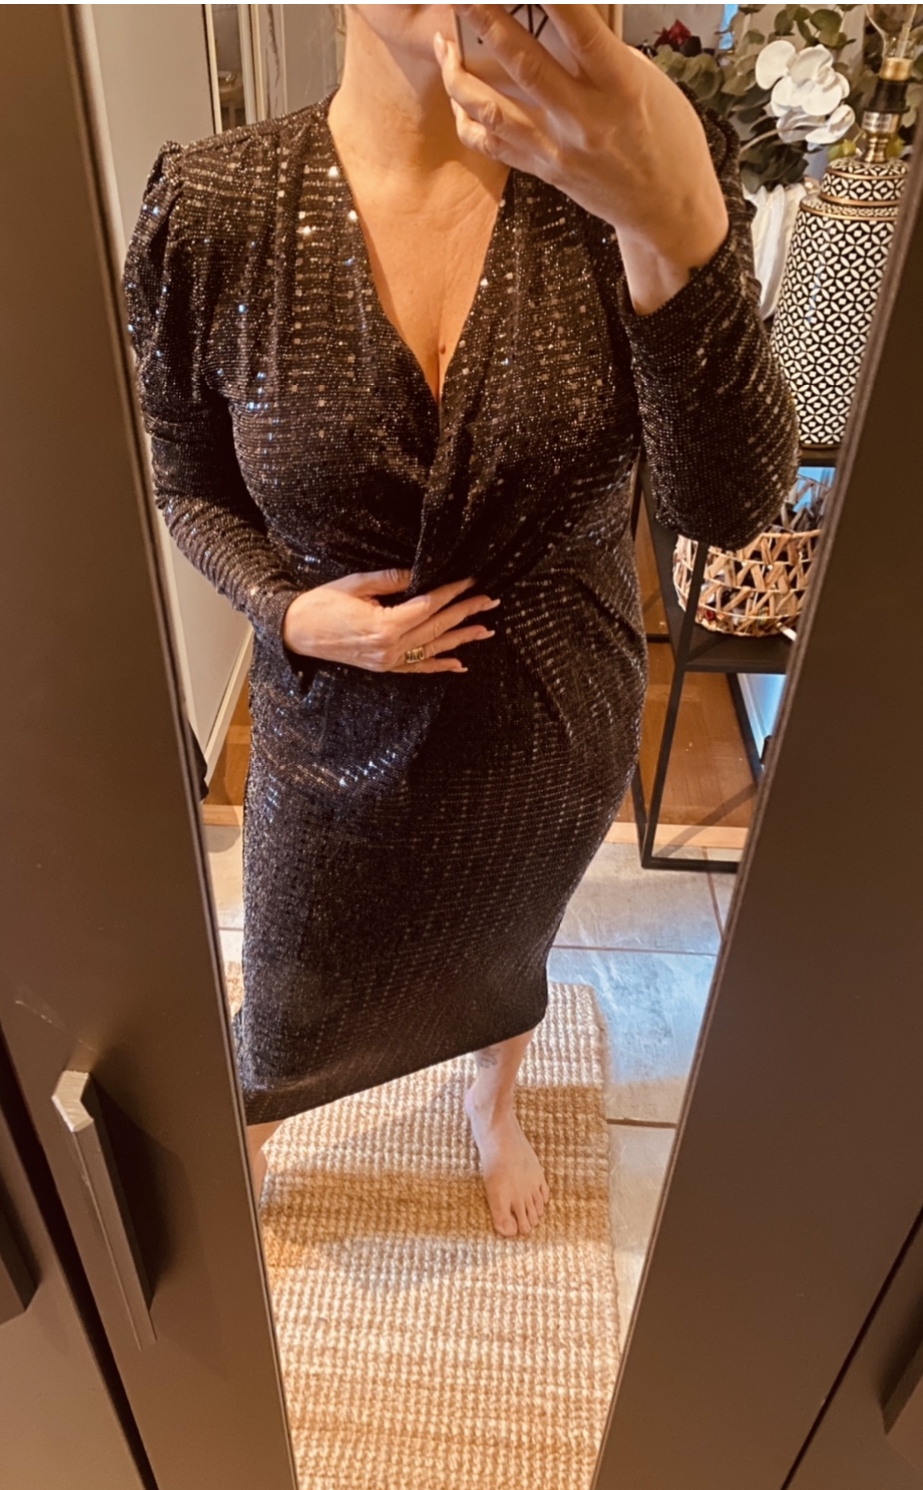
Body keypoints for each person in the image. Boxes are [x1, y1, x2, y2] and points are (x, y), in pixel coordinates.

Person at [122, 4, 798, 1238]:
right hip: (328, 731)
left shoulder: (633, 166)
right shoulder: (215, 208)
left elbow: (729, 504)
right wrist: (289, 611)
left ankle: (493, 1097)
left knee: (506, 950)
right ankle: (257, 1119)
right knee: (291, 984)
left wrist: (667, 218)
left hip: (550, 723)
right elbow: (185, 481)